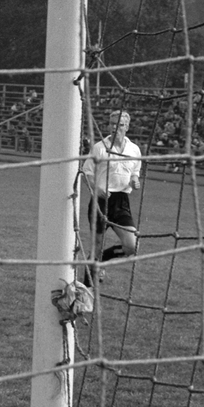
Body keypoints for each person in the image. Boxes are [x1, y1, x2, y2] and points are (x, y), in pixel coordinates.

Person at [81, 109, 142, 284]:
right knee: (96, 246)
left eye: (120, 125)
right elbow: (87, 173)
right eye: (112, 124)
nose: (116, 128)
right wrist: (96, 188)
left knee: (132, 246)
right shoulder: (100, 148)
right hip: (100, 202)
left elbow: (135, 172)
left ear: (127, 127)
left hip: (121, 202)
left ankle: (103, 261)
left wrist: (134, 181)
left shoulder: (134, 149)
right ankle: (86, 287)